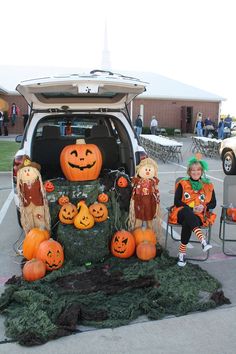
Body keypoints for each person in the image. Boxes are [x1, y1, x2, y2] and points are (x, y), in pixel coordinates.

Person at [168, 154, 216, 267]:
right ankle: (202, 239)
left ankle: (182, 253)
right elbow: (177, 202)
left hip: (199, 215)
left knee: (188, 222)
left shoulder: (208, 185)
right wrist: (191, 208)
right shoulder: (183, 183)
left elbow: (213, 203)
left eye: (198, 170)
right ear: (189, 172)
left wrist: (204, 207)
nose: (195, 172)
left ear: (202, 171)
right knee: (187, 211)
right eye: (193, 170)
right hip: (181, 213)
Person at [16, 155, 51, 234]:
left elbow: (43, 190)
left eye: (29, 170)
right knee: (29, 220)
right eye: (25, 171)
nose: (27, 172)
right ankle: (31, 234)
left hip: (38, 204)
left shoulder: (39, 183)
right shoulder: (21, 185)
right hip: (27, 205)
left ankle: (42, 232)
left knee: (39, 218)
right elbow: (19, 193)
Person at [129, 157, 160, 230]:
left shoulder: (153, 181)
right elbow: (132, 186)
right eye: (146, 169)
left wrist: (157, 203)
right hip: (138, 201)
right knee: (138, 219)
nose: (148, 171)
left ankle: (150, 235)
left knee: (149, 219)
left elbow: (156, 192)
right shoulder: (137, 180)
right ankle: (137, 234)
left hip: (150, 201)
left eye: (149, 170)